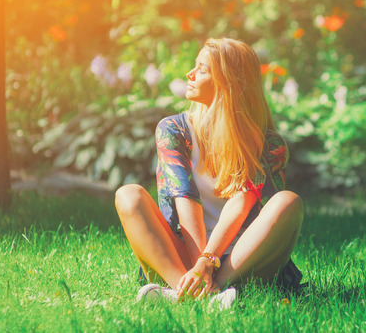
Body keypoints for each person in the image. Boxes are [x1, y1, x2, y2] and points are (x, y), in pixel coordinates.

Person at [114, 38, 304, 307]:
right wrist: (198, 267)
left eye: (202, 70)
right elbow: (184, 197)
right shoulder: (173, 130)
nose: (189, 75)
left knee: (288, 202)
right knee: (128, 195)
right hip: (186, 259)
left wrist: (209, 261)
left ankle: (210, 290)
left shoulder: (268, 144)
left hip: (243, 257)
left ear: (229, 83)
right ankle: (197, 293)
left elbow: (241, 203)